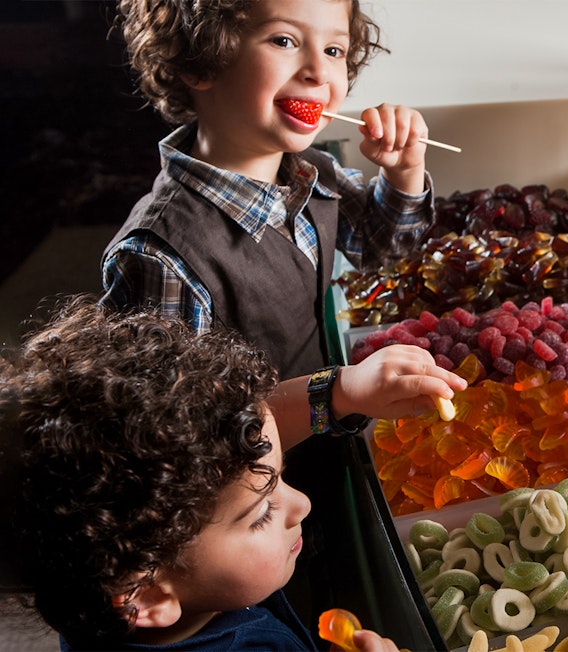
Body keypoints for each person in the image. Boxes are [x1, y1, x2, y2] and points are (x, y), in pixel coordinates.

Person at [98, 0, 467, 630]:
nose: (318, 74)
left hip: (316, 466)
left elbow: (381, 246)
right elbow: (187, 447)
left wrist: (405, 175)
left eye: (334, 50)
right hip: (236, 534)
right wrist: (342, 390)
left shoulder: (311, 172)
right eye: (284, 41)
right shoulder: (162, 257)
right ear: (200, 61)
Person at [0, 298, 406, 651]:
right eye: (261, 512)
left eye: (279, 478)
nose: (302, 503)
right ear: (147, 594)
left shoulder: (91, 576)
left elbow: (245, 454)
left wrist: (338, 392)